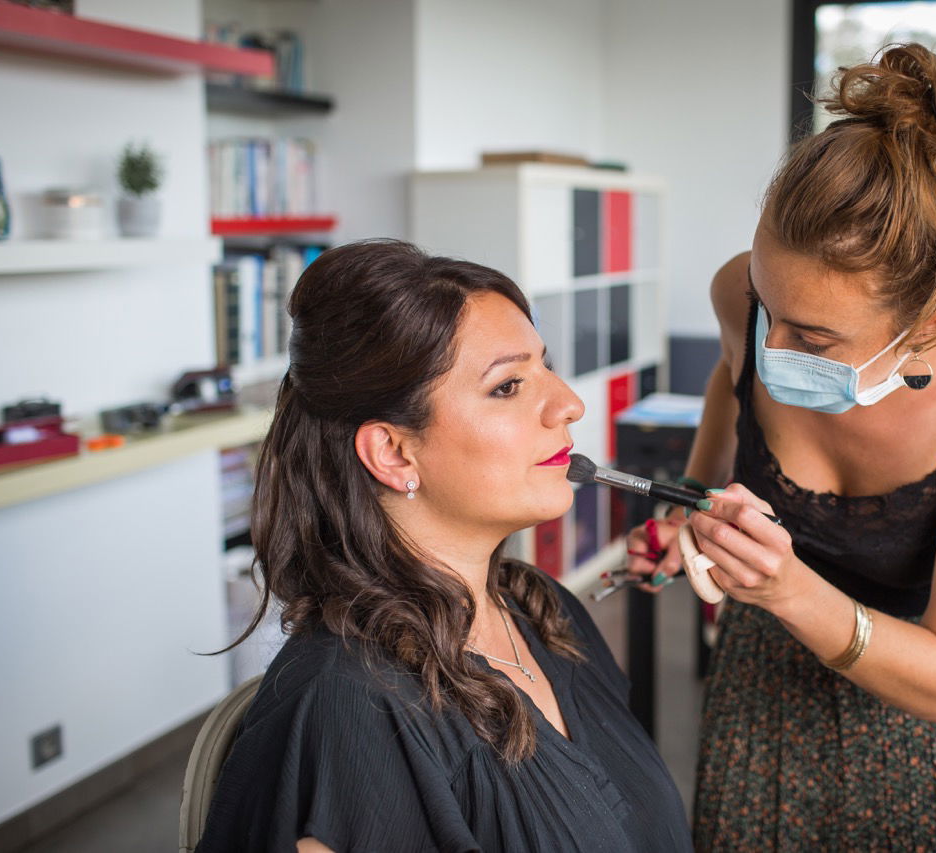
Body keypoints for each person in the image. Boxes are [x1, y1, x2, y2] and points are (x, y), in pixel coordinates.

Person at [627, 32, 936, 850]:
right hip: (761, 699)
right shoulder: (746, 295)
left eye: (814, 336)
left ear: (928, 321)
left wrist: (784, 587)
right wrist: (686, 505)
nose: (776, 349)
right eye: (771, 309)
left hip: (931, 728)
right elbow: (730, 386)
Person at [198, 240, 692, 853]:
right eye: (508, 386)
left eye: (546, 364)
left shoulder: (542, 609)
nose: (569, 403)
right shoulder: (350, 711)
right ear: (394, 452)